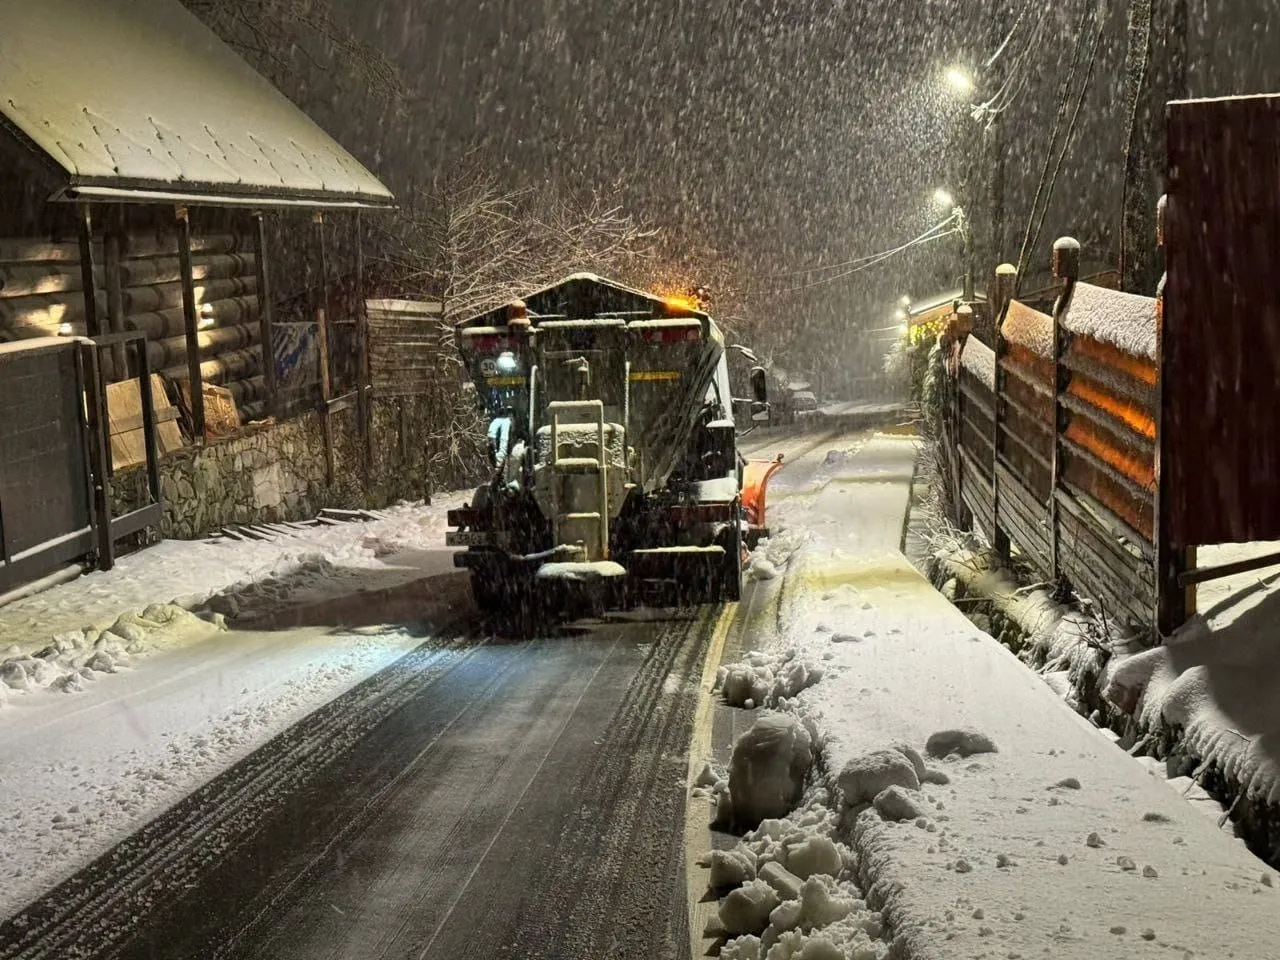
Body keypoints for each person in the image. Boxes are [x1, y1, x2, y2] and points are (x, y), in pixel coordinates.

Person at [487, 404, 514, 470]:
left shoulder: (495, 422)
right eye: (510, 413)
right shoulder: (506, 422)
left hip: (491, 452)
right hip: (498, 455)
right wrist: (499, 462)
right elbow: (504, 440)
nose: (511, 416)